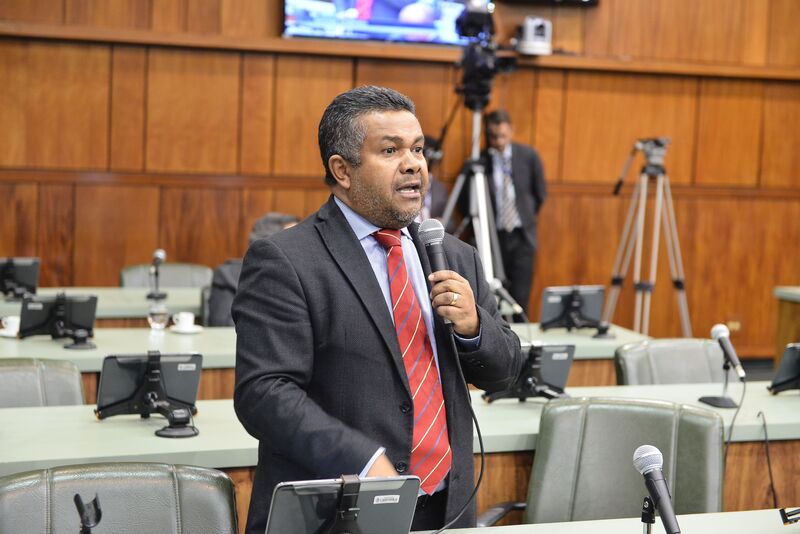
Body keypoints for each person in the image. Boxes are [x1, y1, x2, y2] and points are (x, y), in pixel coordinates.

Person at [232, 86, 523, 534]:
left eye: (418, 149)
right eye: (390, 151)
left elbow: (504, 373)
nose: (413, 164)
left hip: (446, 508)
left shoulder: (453, 255)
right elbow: (264, 394)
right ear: (342, 170)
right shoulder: (287, 259)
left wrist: (473, 328)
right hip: (341, 506)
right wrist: (363, 461)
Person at [481, 109, 547, 319]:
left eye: (503, 135)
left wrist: (527, 217)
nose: (499, 141)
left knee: (520, 297)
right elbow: (469, 200)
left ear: (511, 130)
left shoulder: (528, 156)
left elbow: (540, 193)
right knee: (493, 297)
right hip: (494, 238)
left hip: (522, 236)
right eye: (494, 136)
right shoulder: (482, 160)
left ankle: (519, 337)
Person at [206, 212, 298, 327]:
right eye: (291, 240)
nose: (299, 246)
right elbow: (223, 326)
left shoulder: (303, 278)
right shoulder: (227, 275)